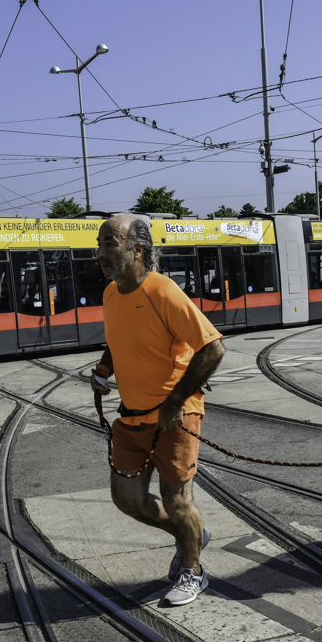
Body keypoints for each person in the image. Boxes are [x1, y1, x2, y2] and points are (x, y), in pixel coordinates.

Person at [91, 214, 225, 607]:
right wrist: (103, 369)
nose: (101, 253)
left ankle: (194, 571)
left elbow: (212, 346)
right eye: (99, 245)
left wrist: (175, 400)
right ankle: (191, 537)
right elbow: (119, 340)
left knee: (176, 500)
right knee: (127, 497)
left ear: (138, 250)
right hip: (132, 414)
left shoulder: (162, 290)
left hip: (174, 414)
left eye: (109, 244)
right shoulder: (111, 293)